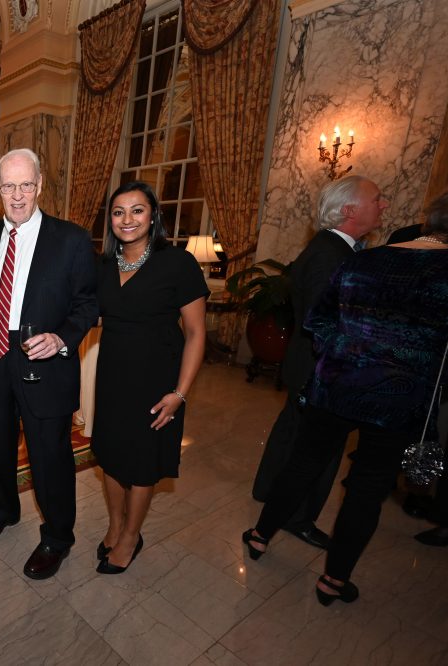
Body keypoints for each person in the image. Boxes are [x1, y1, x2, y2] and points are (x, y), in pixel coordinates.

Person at [243, 191, 448, 605]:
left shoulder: (364, 260)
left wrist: (351, 355)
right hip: (400, 396)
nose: (386, 205)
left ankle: (261, 535)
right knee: (367, 489)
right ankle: (333, 581)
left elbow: (319, 321)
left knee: (303, 463)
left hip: (338, 384)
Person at [0, 148, 98, 580]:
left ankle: (57, 537)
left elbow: (88, 303)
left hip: (44, 357)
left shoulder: (72, 240)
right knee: (0, 442)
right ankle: (5, 510)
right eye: (9, 186)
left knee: (49, 454)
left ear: (40, 185)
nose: (18, 195)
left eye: (26, 184)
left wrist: (62, 338)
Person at [252, 176, 388, 549]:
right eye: (377, 199)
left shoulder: (333, 249)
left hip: (307, 363)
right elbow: (325, 321)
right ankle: (297, 516)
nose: (384, 205)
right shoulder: (331, 255)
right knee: (318, 450)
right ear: (349, 210)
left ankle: (269, 491)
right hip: (321, 369)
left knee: (292, 434)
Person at [90, 182, 208, 574]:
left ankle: (130, 537)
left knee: (141, 463)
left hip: (156, 381)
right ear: (110, 219)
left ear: (154, 216)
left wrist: (180, 393)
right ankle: (115, 525)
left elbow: (195, 333)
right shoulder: (103, 266)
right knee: (109, 457)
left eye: (137, 210)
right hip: (111, 377)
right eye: (119, 211)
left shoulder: (177, 263)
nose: (127, 219)